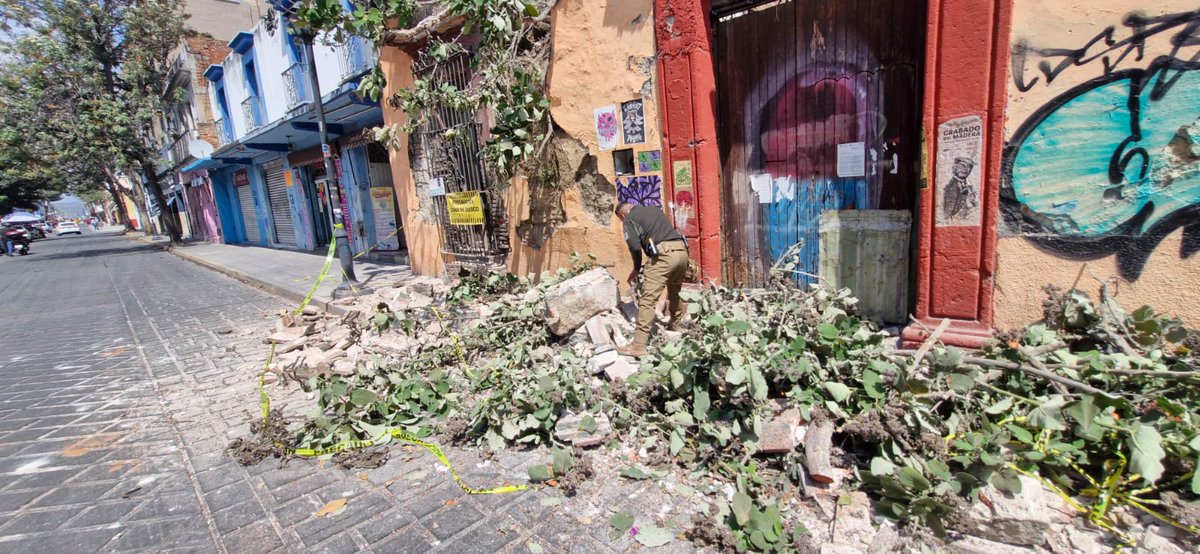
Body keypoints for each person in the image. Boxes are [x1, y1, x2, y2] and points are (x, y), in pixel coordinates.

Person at [614, 202, 689, 358]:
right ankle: (676, 326)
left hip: (663, 255)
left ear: (622, 215)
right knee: (674, 291)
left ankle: (638, 346)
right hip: (682, 252)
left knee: (647, 299)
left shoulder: (629, 220)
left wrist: (636, 268)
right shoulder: (655, 210)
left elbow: (634, 246)